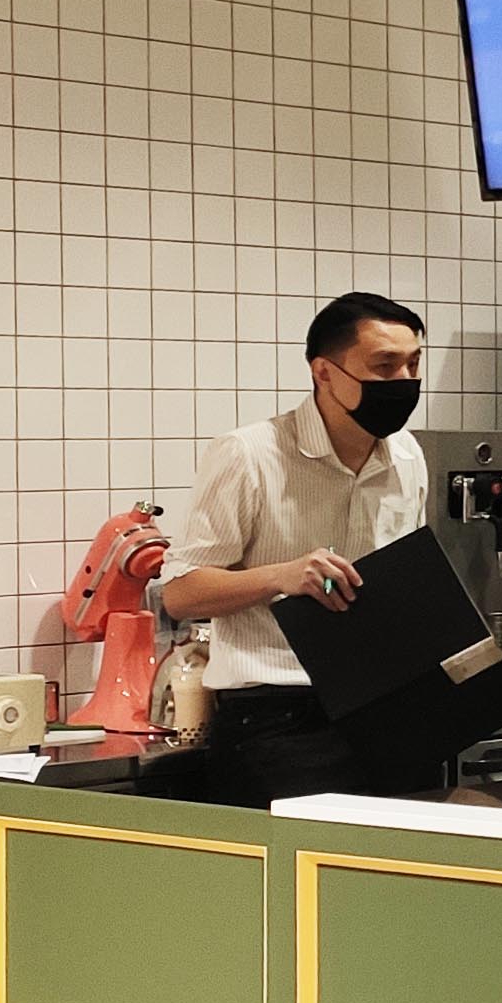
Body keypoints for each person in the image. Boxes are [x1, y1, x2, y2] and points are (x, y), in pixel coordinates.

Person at [161, 292, 432, 806]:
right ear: (324, 372)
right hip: (278, 721)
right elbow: (180, 594)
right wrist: (280, 576)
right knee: (301, 883)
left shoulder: (407, 455)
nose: (403, 381)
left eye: (413, 364)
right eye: (383, 365)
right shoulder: (250, 454)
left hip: (385, 711)